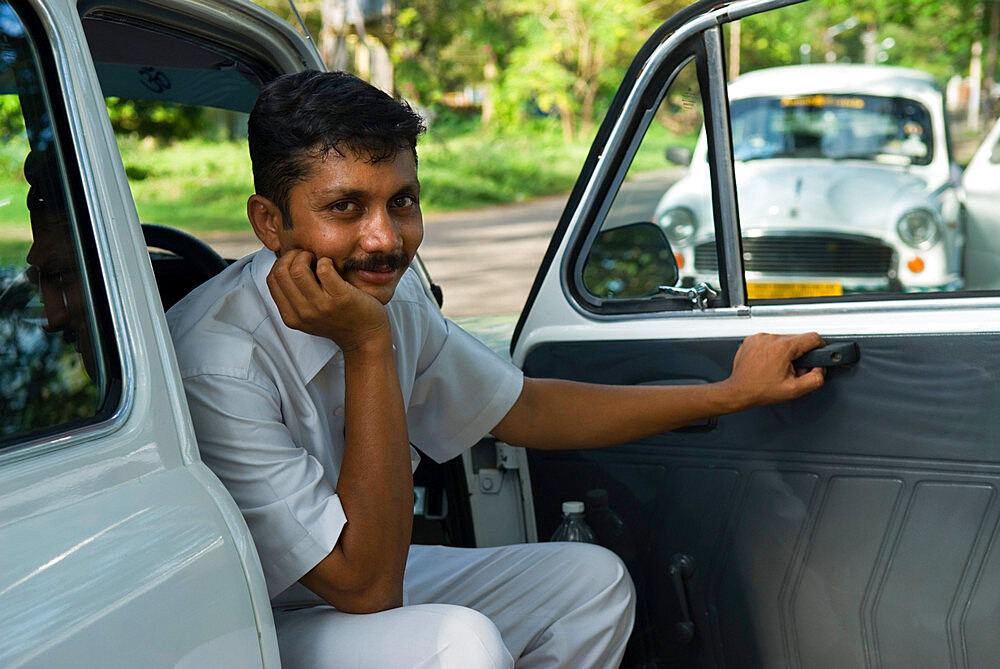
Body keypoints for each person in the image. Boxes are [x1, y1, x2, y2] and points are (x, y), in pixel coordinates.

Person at [166, 70, 825, 669]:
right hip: (250, 623)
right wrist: (369, 351)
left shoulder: (382, 300)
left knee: (587, 584)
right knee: (462, 643)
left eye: (402, 202)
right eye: (345, 207)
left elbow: (526, 409)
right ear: (269, 223)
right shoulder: (220, 363)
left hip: (354, 579)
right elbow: (365, 587)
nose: (385, 239)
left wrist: (729, 393)